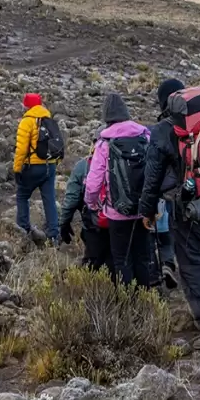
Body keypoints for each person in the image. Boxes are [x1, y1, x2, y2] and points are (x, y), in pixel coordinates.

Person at [140, 78, 200, 350]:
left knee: (190, 263)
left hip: (185, 205)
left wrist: (147, 209)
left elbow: (152, 176)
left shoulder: (162, 132)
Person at [84, 93, 152, 288]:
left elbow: (93, 182)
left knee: (121, 259)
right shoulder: (145, 136)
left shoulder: (104, 143)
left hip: (117, 212)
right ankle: (147, 302)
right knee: (142, 257)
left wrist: (92, 204)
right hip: (144, 209)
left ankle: (127, 303)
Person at [13, 93, 60, 245]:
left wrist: (17, 169)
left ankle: (23, 229)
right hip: (50, 165)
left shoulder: (27, 121)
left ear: (27, 106)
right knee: (49, 199)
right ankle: (54, 235)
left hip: (33, 166)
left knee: (22, 195)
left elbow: (21, 150)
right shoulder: (49, 119)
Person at [59, 152, 114, 275]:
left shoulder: (83, 166)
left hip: (94, 225)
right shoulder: (124, 161)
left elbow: (71, 200)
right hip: (121, 224)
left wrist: (64, 223)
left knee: (93, 264)